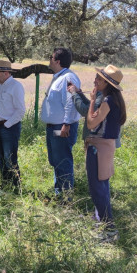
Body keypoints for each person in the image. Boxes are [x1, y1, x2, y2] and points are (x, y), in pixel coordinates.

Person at [69, 65, 126, 240]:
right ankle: (104, 224)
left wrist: (92, 100)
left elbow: (91, 124)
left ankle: (109, 229)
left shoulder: (107, 101)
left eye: (99, 79)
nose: (95, 81)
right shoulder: (115, 100)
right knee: (102, 186)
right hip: (105, 147)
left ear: (107, 83)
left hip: (98, 148)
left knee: (96, 189)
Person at [39, 48, 82, 197]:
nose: (49, 60)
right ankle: (59, 193)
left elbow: (71, 102)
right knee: (55, 160)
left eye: (51, 57)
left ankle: (66, 197)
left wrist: (66, 124)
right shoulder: (59, 76)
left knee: (62, 160)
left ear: (57, 61)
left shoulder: (68, 77)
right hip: (54, 127)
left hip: (62, 127)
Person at [0, 60, 26, 190]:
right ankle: (5, 186)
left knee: (9, 158)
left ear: (6, 73)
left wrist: (7, 125)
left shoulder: (15, 86)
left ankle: (16, 187)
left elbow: (20, 110)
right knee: (1, 159)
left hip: (9, 127)